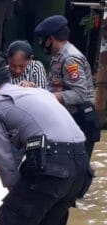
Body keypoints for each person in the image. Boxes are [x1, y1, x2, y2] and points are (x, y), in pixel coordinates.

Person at [0, 56, 93, 225]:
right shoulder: (40, 92)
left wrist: (17, 198)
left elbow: (3, 161)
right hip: (82, 166)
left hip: (52, 166)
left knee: (11, 217)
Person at [35, 15, 100, 158]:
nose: (41, 43)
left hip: (80, 120)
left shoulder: (70, 59)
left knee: (77, 171)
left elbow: (79, 93)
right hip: (69, 119)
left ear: (50, 39)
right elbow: (55, 86)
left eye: (42, 39)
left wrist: (50, 97)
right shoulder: (58, 56)